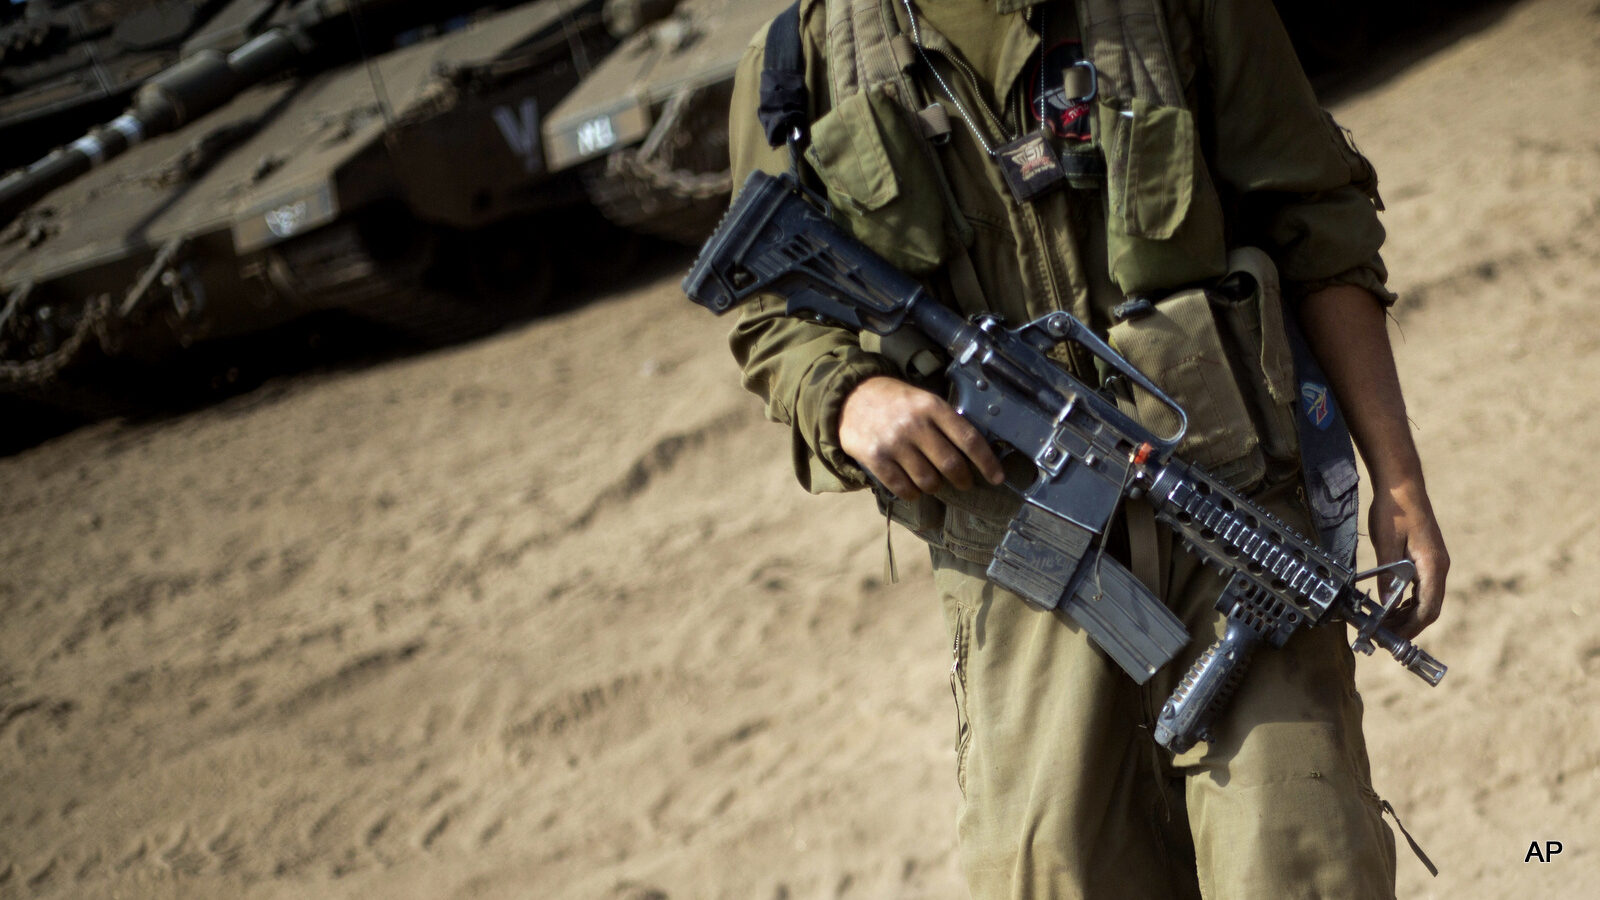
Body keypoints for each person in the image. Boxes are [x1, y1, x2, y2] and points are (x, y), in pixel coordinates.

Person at [719, 0, 1450, 896]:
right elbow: (769, 314)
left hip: (1231, 517)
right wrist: (848, 397)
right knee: (1055, 873)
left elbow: (1318, 222)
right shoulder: (804, 60)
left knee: (1301, 861)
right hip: (1019, 560)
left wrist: (1399, 482)